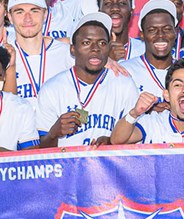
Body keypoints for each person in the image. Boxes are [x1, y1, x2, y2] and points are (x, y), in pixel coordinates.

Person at [36, 13, 141, 147]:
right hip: (68, 167)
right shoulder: (51, 89)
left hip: (109, 165)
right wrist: (53, 134)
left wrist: (112, 141)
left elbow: (135, 140)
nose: (95, 49)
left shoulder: (124, 84)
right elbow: (40, 152)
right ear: (73, 49)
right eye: (86, 43)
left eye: (102, 43)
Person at [110, 60, 184, 145]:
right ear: (166, 95)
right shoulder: (155, 123)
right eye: (178, 85)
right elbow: (117, 140)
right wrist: (134, 113)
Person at [3, 0, 72, 103]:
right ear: (10, 17)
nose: (27, 19)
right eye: (19, 12)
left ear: (45, 14)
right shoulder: (2, 56)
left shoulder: (67, 53)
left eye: (34, 11)